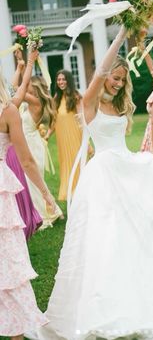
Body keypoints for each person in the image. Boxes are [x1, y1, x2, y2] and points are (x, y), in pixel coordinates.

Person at [26, 25, 153, 340]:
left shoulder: (120, 104)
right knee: (109, 238)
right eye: (115, 77)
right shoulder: (90, 102)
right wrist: (122, 35)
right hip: (105, 176)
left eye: (123, 79)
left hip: (129, 167)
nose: (119, 82)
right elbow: (98, 74)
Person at [0, 62, 56, 339]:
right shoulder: (7, 110)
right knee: (9, 260)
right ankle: (16, 332)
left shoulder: (10, 107)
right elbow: (26, 160)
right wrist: (46, 194)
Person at [12, 59, 63, 228]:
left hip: (31, 144)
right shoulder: (34, 102)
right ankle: (47, 210)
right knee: (30, 181)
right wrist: (20, 67)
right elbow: (18, 87)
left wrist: (22, 69)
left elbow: (15, 87)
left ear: (35, 88)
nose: (26, 87)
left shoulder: (36, 102)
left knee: (32, 182)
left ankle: (43, 214)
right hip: (30, 142)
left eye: (29, 85)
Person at [6, 51, 42, 240]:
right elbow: (20, 87)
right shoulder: (8, 108)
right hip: (12, 156)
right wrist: (28, 63)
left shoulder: (9, 106)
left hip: (12, 155)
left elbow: (19, 87)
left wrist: (25, 65)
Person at [45, 70, 83, 201]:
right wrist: (48, 135)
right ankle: (71, 196)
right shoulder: (56, 98)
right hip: (62, 139)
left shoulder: (76, 97)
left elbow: (81, 119)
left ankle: (80, 194)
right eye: (59, 80)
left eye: (63, 79)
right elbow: (54, 121)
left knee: (77, 165)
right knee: (66, 164)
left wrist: (86, 142)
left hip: (75, 137)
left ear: (69, 81)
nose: (61, 82)